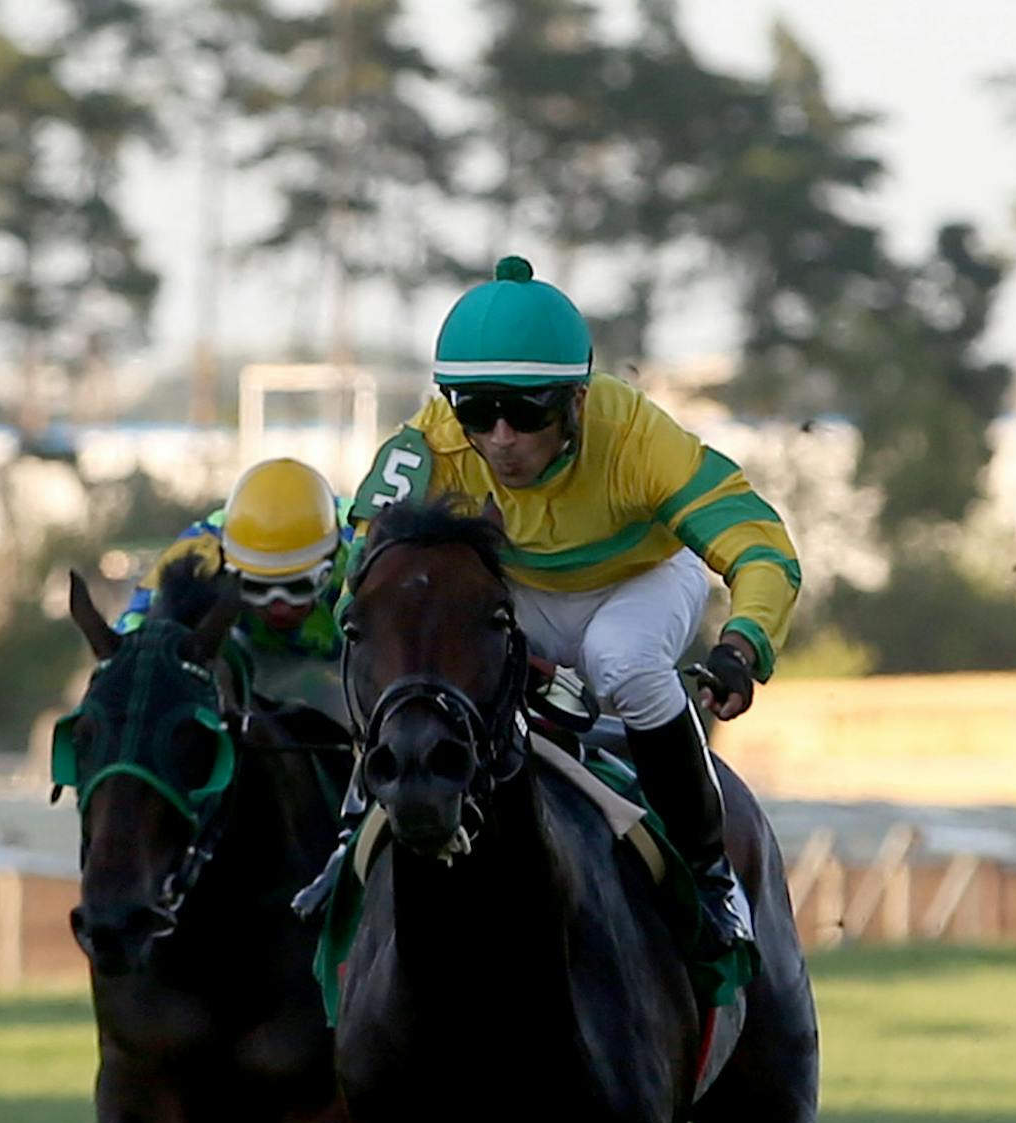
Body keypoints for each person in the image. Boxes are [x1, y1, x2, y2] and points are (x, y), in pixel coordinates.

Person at [338, 255, 801, 966]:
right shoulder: (431, 440)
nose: (499, 438)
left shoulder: (639, 437)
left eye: (526, 412)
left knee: (623, 661)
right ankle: (348, 849)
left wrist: (743, 645)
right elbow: (362, 567)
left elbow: (762, 547)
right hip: (519, 590)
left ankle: (708, 869)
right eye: (476, 410)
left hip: (641, 579)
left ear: (577, 401)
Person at [119, 457, 352, 709]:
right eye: (257, 588)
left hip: (355, 659)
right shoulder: (201, 552)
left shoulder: (365, 540)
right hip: (251, 658)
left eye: (297, 588)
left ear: (332, 562)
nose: (278, 608)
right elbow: (132, 633)